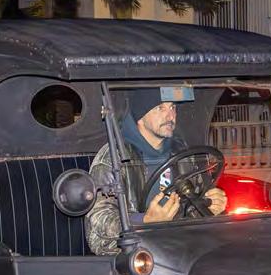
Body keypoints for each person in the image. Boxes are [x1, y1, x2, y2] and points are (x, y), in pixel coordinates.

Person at [86, 89, 227, 255]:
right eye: (160, 108)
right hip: (135, 255)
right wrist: (145, 221)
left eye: (172, 107)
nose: (170, 115)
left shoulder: (183, 153)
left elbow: (191, 210)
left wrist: (209, 206)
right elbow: (98, 221)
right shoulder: (113, 158)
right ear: (140, 117)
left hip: (181, 249)